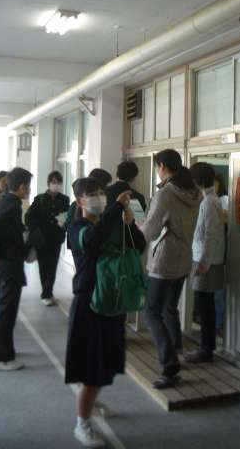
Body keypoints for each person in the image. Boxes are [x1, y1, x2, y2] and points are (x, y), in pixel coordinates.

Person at [66, 177, 145, 447]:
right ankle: (82, 423)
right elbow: (92, 241)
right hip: (89, 304)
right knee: (92, 367)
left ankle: (91, 400)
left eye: (101, 192)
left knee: (103, 362)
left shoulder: (110, 223)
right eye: (92, 194)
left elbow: (139, 245)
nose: (98, 197)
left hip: (112, 302)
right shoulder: (78, 227)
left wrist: (129, 224)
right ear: (80, 201)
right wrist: (116, 209)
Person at [140, 149, 201, 389]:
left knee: (151, 312)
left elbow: (151, 231)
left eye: (157, 167)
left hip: (164, 261)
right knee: (169, 308)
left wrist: (136, 226)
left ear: (162, 166)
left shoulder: (165, 194)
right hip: (184, 258)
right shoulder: (194, 192)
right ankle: (176, 350)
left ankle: (170, 366)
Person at [0, 167, 32, 372]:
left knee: (2, 309)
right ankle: (1, 358)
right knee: (7, 310)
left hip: (4, 262)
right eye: (28, 186)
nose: (28, 190)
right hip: (9, 263)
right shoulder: (11, 205)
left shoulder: (4, 201)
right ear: (22, 186)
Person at [184, 163, 225, 363]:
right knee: (205, 306)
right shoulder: (209, 200)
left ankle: (206, 349)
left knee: (204, 306)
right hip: (205, 260)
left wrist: (203, 264)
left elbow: (210, 236)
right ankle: (207, 347)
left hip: (206, 262)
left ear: (196, 181)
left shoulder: (209, 202)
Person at [25, 171, 70, 306]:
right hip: (42, 238)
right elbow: (29, 216)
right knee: (44, 265)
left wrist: (64, 222)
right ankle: (46, 293)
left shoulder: (65, 199)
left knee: (53, 265)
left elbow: (68, 215)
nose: (56, 185)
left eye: (59, 182)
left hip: (56, 237)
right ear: (49, 183)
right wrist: (35, 229)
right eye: (54, 182)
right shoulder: (39, 199)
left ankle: (48, 292)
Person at [214, 172, 229, 336]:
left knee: (218, 292)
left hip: (221, 252)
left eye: (214, 183)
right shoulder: (211, 199)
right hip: (215, 251)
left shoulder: (223, 199)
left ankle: (219, 324)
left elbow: (226, 218)